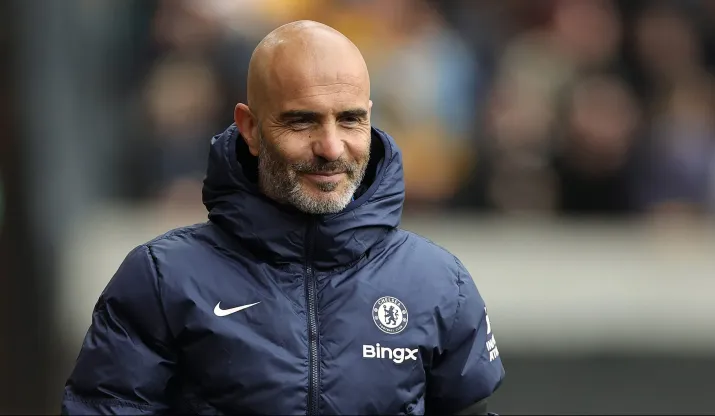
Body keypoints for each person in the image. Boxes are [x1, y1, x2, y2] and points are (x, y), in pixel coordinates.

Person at [61, 20, 505, 415]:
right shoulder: (161, 279)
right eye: (302, 122)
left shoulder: (440, 284)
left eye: (350, 120)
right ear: (250, 128)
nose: (331, 148)